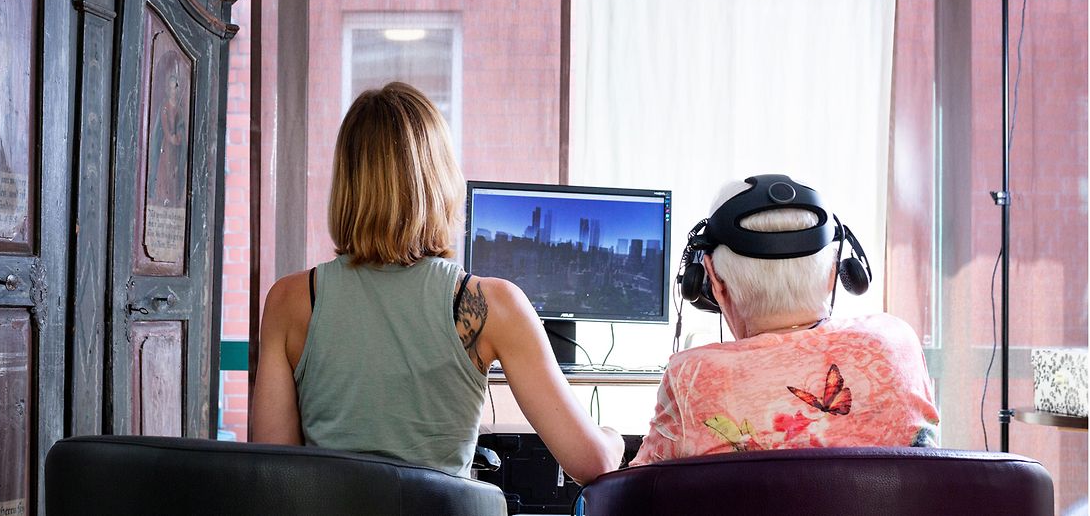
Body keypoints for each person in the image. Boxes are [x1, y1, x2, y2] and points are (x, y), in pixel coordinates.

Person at [253, 82, 624, 482]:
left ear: (347, 184)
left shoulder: (289, 301)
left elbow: (275, 476)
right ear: (440, 180)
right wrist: (613, 438)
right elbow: (594, 464)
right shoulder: (493, 305)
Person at [631, 175, 939, 464]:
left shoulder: (691, 376)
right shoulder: (896, 342)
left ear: (712, 280)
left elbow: (635, 493)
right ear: (834, 273)